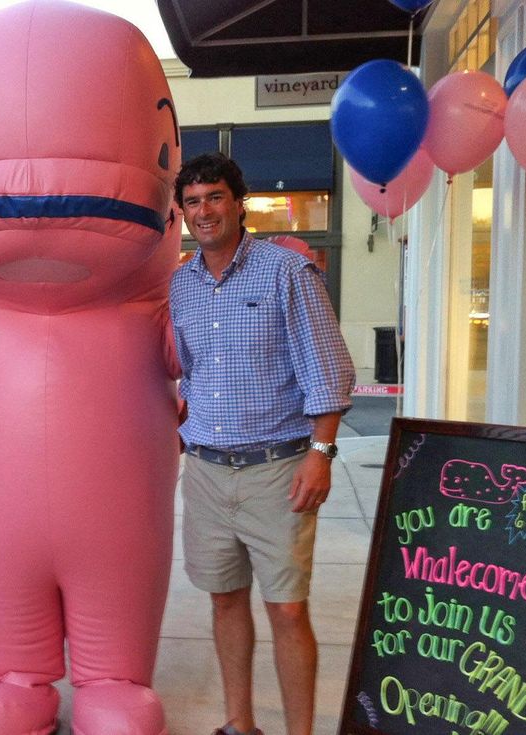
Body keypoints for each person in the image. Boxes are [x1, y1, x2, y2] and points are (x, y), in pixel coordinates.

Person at [169, 153, 355, 735]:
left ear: (239, 202)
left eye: (215, 197)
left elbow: (330, 372)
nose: (204, 211)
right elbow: (190, 370)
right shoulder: (179, 285)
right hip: (204, 469)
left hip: (278, 471)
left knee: (287, 608)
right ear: (182, 212)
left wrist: (320, 455)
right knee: (224, 600)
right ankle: (239, 723)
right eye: (193, 202)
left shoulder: (286, 272)